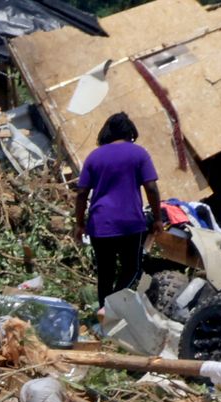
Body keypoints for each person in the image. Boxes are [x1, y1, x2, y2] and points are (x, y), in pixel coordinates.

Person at [74, 111, 164, 311]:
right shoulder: (139, 153)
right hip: (130, 223)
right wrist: (157, 218)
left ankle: (104, 312)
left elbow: (81, 193)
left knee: (105, 272)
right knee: (132, 268)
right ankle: (113, 307)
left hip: (100, 223)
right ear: (130, 132)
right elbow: (151, 188)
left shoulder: (94, 157)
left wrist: (79, 223)